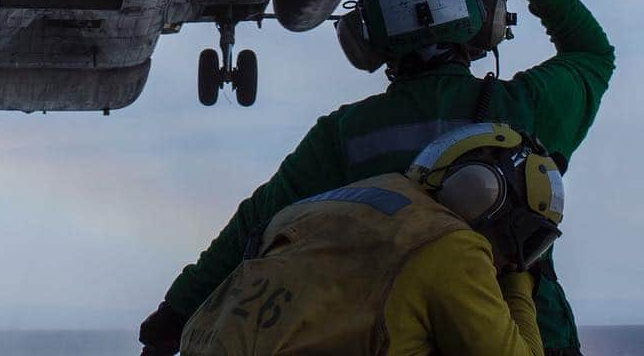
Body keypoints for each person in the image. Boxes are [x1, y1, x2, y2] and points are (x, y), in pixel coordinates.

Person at [139, 0, 614, 356]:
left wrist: (174, 316)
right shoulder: (529, 107)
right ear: (483, 14)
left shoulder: (343, 137)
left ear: (362, 36)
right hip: (528, 334)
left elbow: (255, 226)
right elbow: (594, 53)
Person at [178, 122, 563, 355]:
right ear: (483, 195)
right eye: (524, 240)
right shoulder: (450, 245)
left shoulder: (341, 202)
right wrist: (520, 280)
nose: (512, 258)